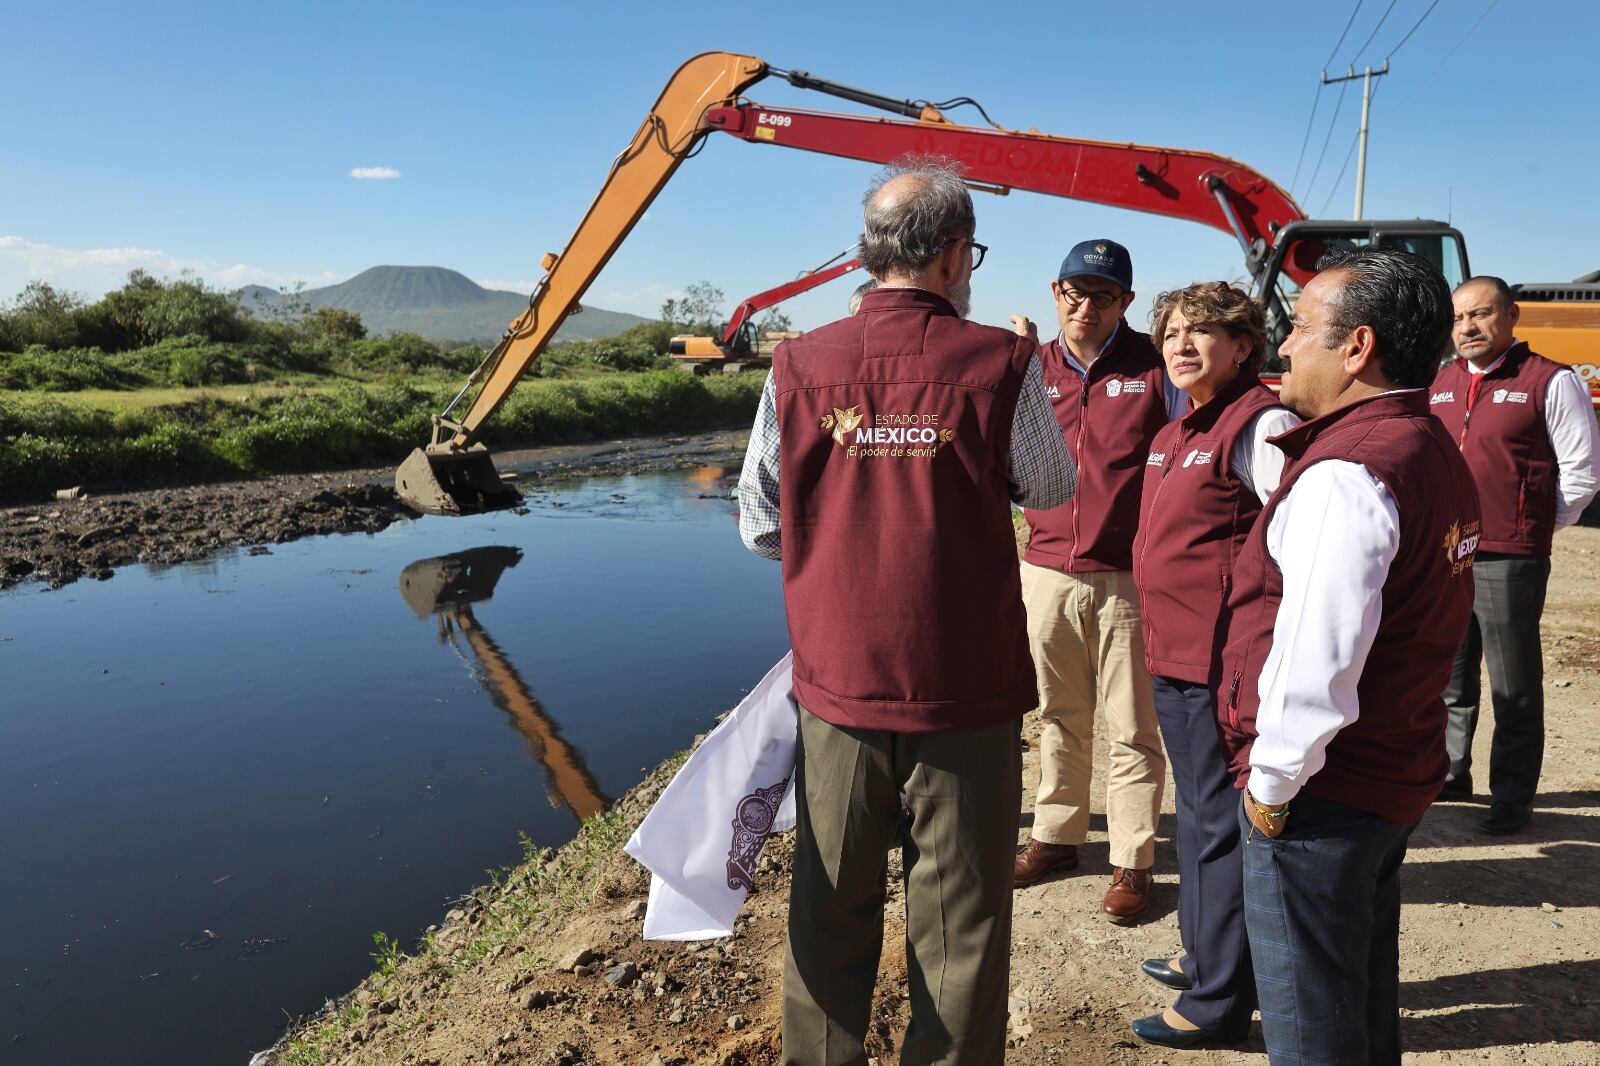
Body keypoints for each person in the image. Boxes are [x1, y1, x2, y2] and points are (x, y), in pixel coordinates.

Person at [736, 156, 1074, 1065]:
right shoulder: (1003, 361)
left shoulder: (798, 362)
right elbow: (1049, 486)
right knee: (962, 920)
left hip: (839, 684)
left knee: (828, 902)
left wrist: (843, 540)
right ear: (956, 255)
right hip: (963, 689)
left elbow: (760, 524)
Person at [1218, 247, 1481, 1065]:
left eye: (1298, 329)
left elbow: (1317, 662)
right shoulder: (1426, 445)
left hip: (1322, 794)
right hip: (1384, 775)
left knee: (1311, 1022)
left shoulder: (1347, 473)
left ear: (1357, 347)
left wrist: (1270, 788)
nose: (1284, 347)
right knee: (1358, 1000)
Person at [1128, 282, 1298, 1049]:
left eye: (1202, 332)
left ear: (1242, 346)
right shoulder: (1178, 427)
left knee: (1218, 827)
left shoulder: (1258, 423)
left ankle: (1217, 1003)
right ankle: (1204, 956)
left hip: (1219, 664)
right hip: (1176, 654)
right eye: (1172, 332)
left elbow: (1301, 537)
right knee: (1196, 819)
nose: (1183, 343)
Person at [1010, 238, 1185, 924]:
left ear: (1126, 303)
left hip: (1129, 577)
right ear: (1056, 295)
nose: (1085, 306)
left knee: (1134, 726)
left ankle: (1133, 860)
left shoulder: (1155, 368)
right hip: (1047, 570)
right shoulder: (1029, 369)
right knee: (1057, 714)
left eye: (1102, 296)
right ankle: (1056, 836)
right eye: (1074, 293)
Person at [1428, 276, 1600, 834]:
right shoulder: (1442, 382)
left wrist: (1533, 528)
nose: (1468, 328)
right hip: (1448, 554)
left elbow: (1581, 473)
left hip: (1509, 557)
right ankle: (1453, 773)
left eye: (1479, 315)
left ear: (1511, 315)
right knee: (1450, 679)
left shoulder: (1551, 381)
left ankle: (1513, 795)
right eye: (1458, 319)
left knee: (1513, 682)